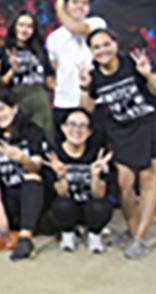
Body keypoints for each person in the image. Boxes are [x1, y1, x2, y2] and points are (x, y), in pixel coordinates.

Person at [80, 28, 156, 259]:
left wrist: (148, 75)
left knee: (148, 180)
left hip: (153, 125)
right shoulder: (94, 75)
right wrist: (85, 87)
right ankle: (132, 229)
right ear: (91, 52)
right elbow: (86, 110)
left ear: (115, 44)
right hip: (123, 131)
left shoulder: (132, 64)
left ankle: (140, 239)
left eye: (106, 44)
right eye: (96, 47)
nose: (102, 50)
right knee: (125, 183)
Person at [0, 89, 48, 261]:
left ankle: (25, 239)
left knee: (31, 178)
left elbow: (36, 167)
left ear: (14, 109)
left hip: (34, 191)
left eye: (2, 109)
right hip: (9, 192)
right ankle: (16, 227)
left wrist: (21, 158)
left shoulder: (32, 131)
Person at [44, 108, 114, 253]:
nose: (77, 130)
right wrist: (61, 175)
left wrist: (95, 175)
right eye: (72, 124)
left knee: (101, 206)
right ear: (63, 128)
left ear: (89, 132)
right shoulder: (55, 154)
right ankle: (68, 234)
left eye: (83, 126)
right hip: (69, 208)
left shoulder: (97, 154)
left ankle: (94, 235)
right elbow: (61, 193)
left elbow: (99, 194)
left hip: (90, 206)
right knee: (61, 204)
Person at [45, 0, 107, 129]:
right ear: (67, 5)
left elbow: (78, 29)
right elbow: (55, 66)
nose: (80, 6)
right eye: (75, 2)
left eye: (84, 3)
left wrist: (59, 8)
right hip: (64, 103)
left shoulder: (96, 23)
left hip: (93, 100)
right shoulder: (53, 38)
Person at [0, 10, 56, 142]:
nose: (25, 30)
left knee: (45, 136)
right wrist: (13, 70)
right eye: (21, 25)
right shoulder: (4, 51)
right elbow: (0, 83)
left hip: (39, 98)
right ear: (14, 27)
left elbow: (49, 79)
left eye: (29, 26)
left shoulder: (40, 51)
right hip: (17, 98)